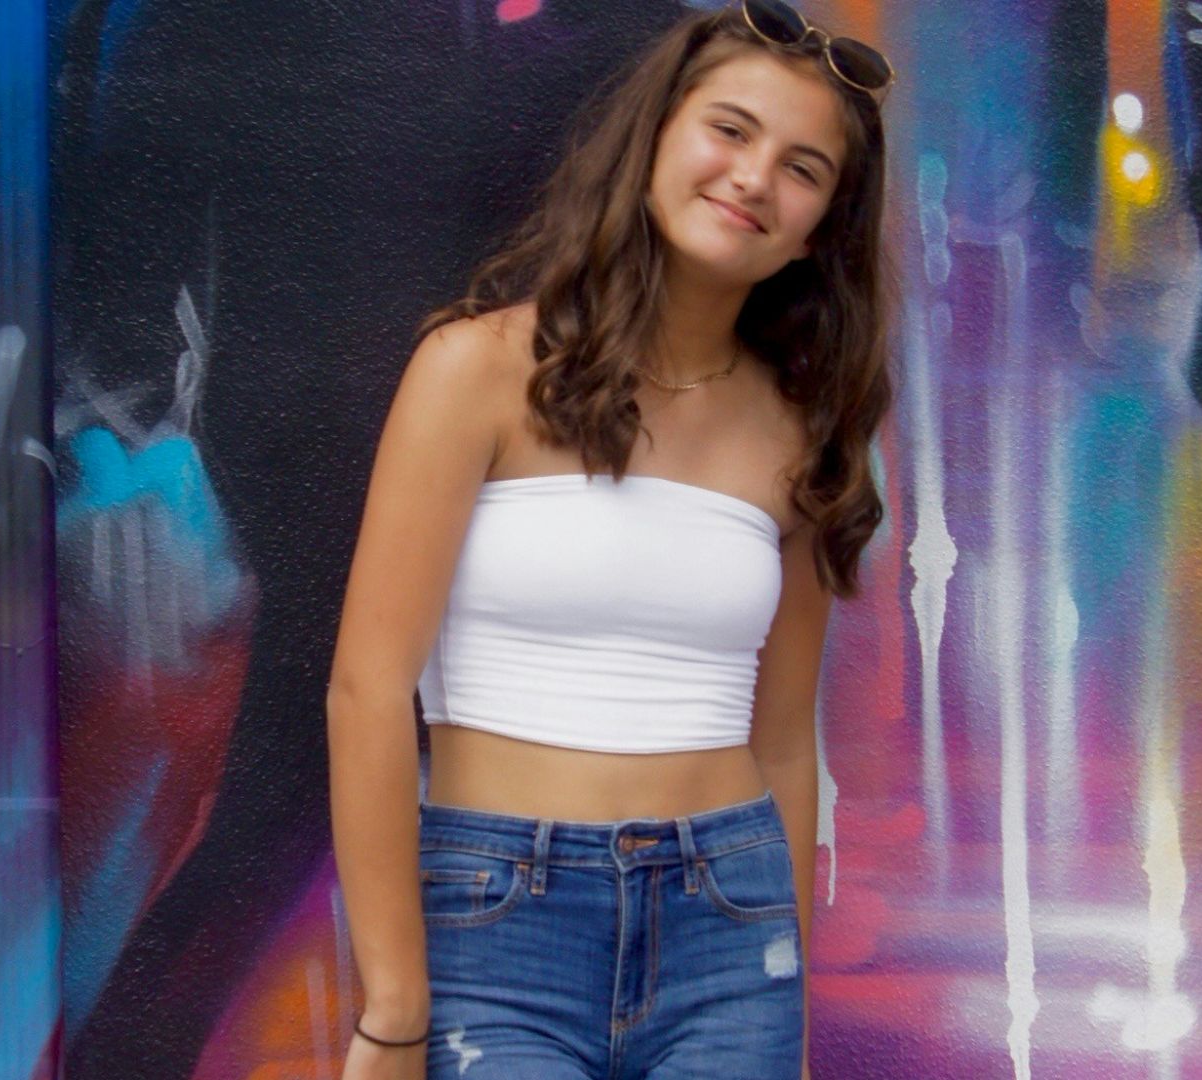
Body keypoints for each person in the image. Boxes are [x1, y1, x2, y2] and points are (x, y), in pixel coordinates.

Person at [325, 3, 896, 1077]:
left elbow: (783, 742)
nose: (753, 177)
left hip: (730, 924)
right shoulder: (476, 370)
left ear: (820, 227)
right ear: (656, 139)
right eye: (729, 129)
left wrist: (793, 1026)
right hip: (496, 921)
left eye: (802, 167)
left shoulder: (802, 432)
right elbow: (367, 688)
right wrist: (393, 1003)